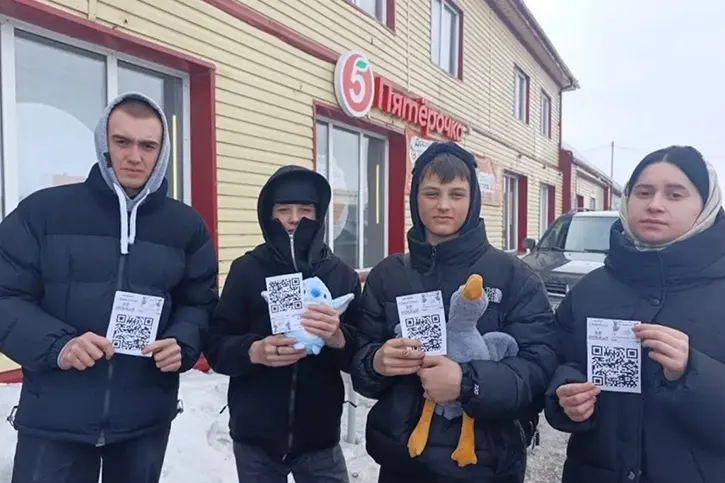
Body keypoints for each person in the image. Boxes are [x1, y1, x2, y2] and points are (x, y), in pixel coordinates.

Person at [0, 92, 219, 483]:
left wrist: (182, 341)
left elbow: (199, 302)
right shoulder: (43, 212)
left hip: (144, 420)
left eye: (147, 146)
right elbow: (5, 296)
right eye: (122, 142)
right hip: (55, 416)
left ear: (162, 152)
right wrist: (59, 345)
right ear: (104, 143)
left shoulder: (186, 226)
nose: (134, 156)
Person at [350, 142, 557, 482]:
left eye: (456, 194)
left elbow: (538, 370)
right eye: (431, 193)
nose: (443, 205)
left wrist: (469, 383)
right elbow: (361, 363)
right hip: (403, 462)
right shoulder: (389, 275)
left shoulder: (514, 276)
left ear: (473, 199)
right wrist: (376, 362)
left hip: (484, 466)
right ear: (415, 198)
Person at [544, 146, 725, 483]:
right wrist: (566, 395)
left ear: (706, 205)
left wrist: (692, 371)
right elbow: (556, 361)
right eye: (643, 192)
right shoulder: (591, 288)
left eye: (675, 194)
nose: (655, 204)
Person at [204, 165, 362, 483]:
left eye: (305, 210)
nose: (294, 219)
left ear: (319, 215)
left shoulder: (340, 274)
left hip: (320, 439)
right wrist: (254, 351)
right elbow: (216, 345)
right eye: (284, 210)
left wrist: (338, 337)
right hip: (255, 440)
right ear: (268, 214)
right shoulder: (247, 270)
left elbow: (361, 354)